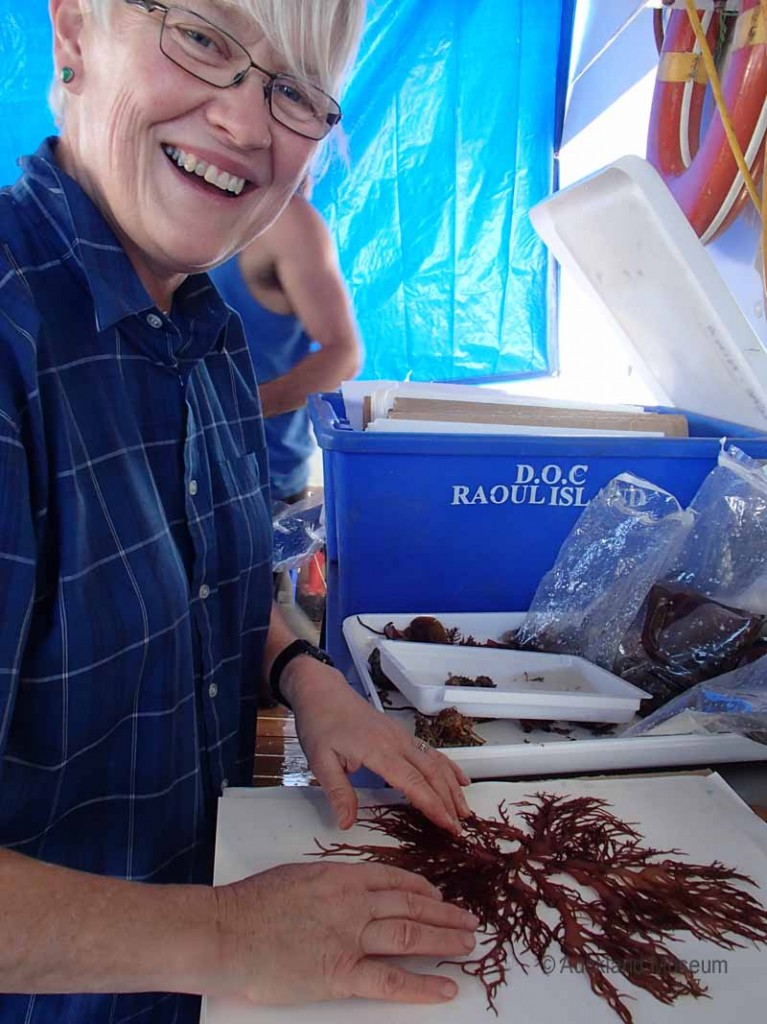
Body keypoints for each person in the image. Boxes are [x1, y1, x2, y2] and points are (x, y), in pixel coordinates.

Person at [0, 2, 477, 1023]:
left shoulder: (206, 331)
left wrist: (299, 672)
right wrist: (226, 936)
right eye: (206, 40)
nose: (246, 122)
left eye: (294, 91)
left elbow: (179, 584)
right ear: (75, 35)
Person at [210, 184, 361, 503]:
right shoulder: (149, 208)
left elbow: (344, 353)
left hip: (260, 486)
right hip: (157, 478)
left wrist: (234, 411)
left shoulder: (285, 222)